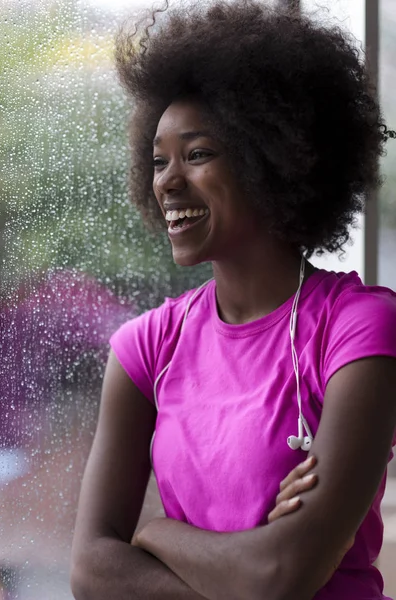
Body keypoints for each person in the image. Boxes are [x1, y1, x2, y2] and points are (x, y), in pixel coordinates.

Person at [70, 1, 396, 599]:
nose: (167, 182)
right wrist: (239, 573)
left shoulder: (360, 328)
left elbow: (280, 574)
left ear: (271, 160)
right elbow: (91, 571)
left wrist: (156, 532)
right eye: (158, 160)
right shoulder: (146, 347)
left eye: (197, 155)